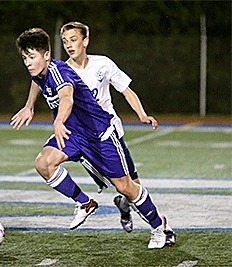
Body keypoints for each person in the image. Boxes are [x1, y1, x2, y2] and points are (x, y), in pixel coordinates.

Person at [11, 27, 170, 249]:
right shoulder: (37, 70)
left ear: (46, 55)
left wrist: (58, 121)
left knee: (126, 187)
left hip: (99, 135)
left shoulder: (61, 71)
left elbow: (67, 97)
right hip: (74, 134)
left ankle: (158, 227)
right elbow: (36, 82)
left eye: (32, 57)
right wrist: (29, 107)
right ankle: (84, 203)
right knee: (43, 163)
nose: (28, 62)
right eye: (25, 58)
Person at [59, 21, 175, 246]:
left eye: (73, 40)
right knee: (127, 188)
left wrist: (142, 114)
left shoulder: (103, 64)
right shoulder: (63, 71)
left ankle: (150, 219)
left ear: (86, 41)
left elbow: (125, 90)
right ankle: (160, 226)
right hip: (87, 141)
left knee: (132, 186)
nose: (69, 45)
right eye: (65, 42)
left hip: (110, 133)